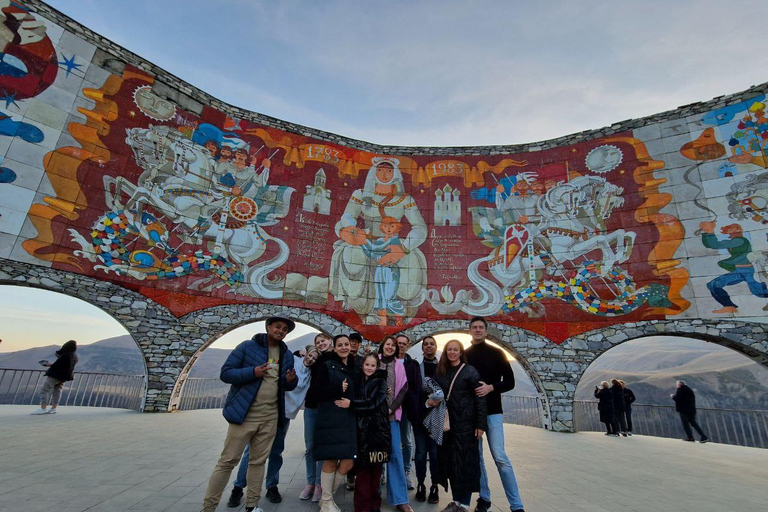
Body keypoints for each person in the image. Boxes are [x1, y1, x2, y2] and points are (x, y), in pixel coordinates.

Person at [202, 317, 298, 512]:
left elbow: (285, 386)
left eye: (285, 329)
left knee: (258, 462)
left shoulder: (286, 354)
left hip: (270, 416)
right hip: (244, 414)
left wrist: (291, 380)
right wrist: (252, 372)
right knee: (228, 461)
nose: (281, 331)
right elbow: (226, 373)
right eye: (278, 326)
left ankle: (252, 506)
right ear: (269, 327)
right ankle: (208, 507)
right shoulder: (247, 347)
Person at [329, 157, 428, 326]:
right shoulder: (360, 194)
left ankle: (395, 307)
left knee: (409, 261)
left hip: (393, 242)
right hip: (365, 240)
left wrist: (403, 248)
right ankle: (355, 303)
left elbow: (420, 228)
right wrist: (350, 231)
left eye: (389, 171)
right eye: (380, 170)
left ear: (395, 173)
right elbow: (345, 218)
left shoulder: (405, 199)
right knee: (350, 254)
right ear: (373, 172)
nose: (384, 174)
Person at [228, 346, 320, 507]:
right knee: (252, 450)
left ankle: (272, 485)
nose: (311, 359)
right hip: (272, 408)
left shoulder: (312, 373)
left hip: (285, 415)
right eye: (310, 355)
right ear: (306, 352)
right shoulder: (293, 359)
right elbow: (274, 363)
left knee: (276, 451)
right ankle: (238, 486)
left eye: (315, 358)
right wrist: (295, 353)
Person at [463, 317, 524, 512]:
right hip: (473, 415)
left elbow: (510, 382)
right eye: (475, 327)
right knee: (478, 457)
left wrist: (491, 387)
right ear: (470, 330)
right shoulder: (465, 355)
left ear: (486, 331)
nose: (478, 330)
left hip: (493, 412)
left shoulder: (497, 353)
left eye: (481, 327)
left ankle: (516, 505)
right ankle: (484, 498)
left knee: (500, 456)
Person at [431, 340, 487, 512]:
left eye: (456, 350)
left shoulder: (470, 372)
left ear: (461, 352)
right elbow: (432, 392)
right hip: (448, 426)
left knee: (466, 464)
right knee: (451, 464)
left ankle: (464, 504)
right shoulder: (441, 372)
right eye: (449, 349)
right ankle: (456, 502)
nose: (452, 352)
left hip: (466, 425)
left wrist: (480, 424)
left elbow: (480, 398)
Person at [335, 353, 391, 512]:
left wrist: (351, 404)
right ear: (362, 365)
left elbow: (373, 403)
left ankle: (374, 506)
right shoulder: (357, 379)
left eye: (373, 365)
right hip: (360, 433)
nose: (369, 368)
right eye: (367, 364)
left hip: (377, 434)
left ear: (377, 367)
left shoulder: (380, 382)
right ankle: (362, 507)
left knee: (375, 472)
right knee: (363, 472)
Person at [314, 334, 358, 512]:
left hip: (349, 418)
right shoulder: (326, 366)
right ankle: (327, 502)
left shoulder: (355, 366)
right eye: (340, 345)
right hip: (331, 417)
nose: (344, 347)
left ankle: (326, 499)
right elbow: (317, 393)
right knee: (331, 459)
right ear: (334, 347)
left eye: (346, 344)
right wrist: (337, 388)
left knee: (348, 462)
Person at [700, 221, 768, 314]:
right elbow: (710, 245)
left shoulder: (740, 240)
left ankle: (729, 306)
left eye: (736, 228)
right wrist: (707, 232)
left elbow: (716, 245)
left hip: (745, 270)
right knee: (713, 285)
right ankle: (729, 306)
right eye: (731, 229)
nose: (734, 230)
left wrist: (710, 230)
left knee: (758, 292)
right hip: (739, 270)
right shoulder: (735, 241)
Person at [378, 336, 414, 512]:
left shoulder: (399, 366)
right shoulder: (373, 361)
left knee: (395, 456)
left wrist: (392, 408)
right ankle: (372, 495)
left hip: (391, 417)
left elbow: (403, 389)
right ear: (383, 346)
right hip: (373, 417)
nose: (390, 347)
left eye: (393, 345)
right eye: (388, 344)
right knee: (373, 455)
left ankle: (400, 498)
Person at [300, 333, 334, 503]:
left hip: (326, 408)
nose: (321, 344)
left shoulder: (334, 359)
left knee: (321, 447)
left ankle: (320, 484)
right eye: (318, 342)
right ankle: (310, 482)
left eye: (323, 341)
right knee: (310, 446)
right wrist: (301, 353)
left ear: (330, 341)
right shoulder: (315, 359)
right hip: (311, 407)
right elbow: (303, 357)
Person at [414, 336, 440, 504]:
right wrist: (424, 403)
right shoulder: (417, 367)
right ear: (422, 348)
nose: (429, 347)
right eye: (426, 344)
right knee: (421, 453)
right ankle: (421, 484)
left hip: (437, 418)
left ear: (435, 347)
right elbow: (413, 391)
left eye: (431, 344)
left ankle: (435, 486)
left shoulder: (442, 367)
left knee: (436, 454)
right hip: (420, 418)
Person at [396, 334, 421, 491]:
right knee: (390, 441)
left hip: (405, 408)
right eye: (399, 343)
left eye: (404, 343)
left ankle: (406, 471)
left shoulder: (413, 364)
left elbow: (416, 387)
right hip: (390, 408)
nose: (401, 346)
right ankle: (385, 471)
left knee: (406, 440)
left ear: (409, 345)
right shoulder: (387, 361)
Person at [32, 339, 78, 415]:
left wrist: (48, 364)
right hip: (65, 376)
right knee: (57, 391)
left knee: (44, 390)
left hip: (56, 375)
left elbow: (57, 365)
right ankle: (53, 408)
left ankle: (43, 408)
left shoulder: (65, 355)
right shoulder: (74, 356)